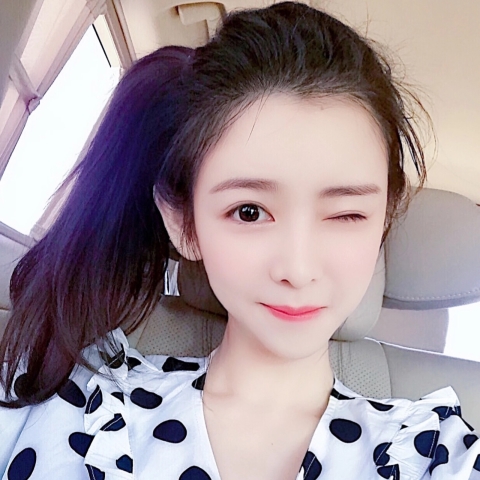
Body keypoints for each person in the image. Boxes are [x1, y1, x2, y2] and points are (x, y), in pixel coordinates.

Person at [0, 2, 478, 479]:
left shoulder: (437, 453)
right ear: (183, 223)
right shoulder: (67, 398)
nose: (298, 269)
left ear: (384, 220)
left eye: (346, 214)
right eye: (249, 212)